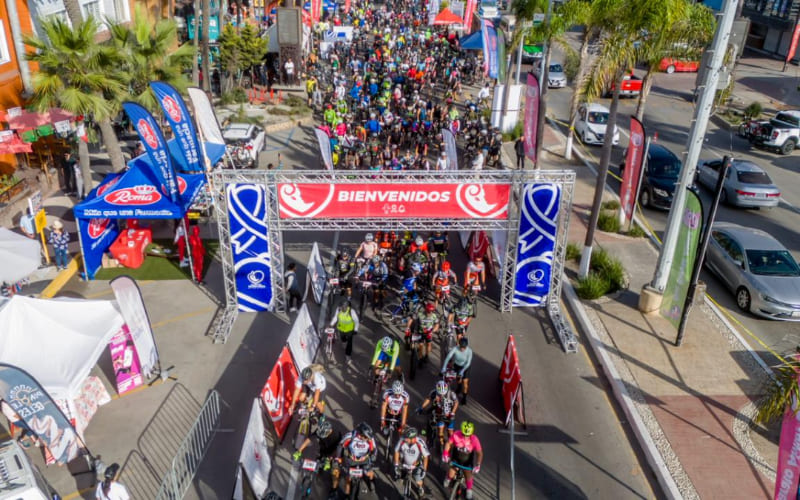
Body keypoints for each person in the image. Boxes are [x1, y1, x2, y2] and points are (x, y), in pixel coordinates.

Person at [293, 416, 341, 489]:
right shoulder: (321, 430)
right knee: (320, 460)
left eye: (322, 436)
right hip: (324, 449)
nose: (320, 437)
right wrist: (299, 450)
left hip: (334, 452)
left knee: (334, 471)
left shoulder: (336, 436)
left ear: (329, 432)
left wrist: (329, 459)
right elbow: (309, 439)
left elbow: (337, 450)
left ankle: (335, 489)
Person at [334, 422, 378, 496]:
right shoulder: (350, 436)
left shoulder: (370, 438)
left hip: (365, 460)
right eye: (366, 437)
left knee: (369, 473)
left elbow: (374, 449)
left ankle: (371, 481)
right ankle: (347, 495)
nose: (367, 439)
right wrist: (339, 458)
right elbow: (341, 446)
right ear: (360, 434)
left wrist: (374, 456)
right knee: (348, 478)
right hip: (351, 460)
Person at [443, 421, 483, 500]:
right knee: (451, 473)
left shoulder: (475, 439)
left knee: (468, 475)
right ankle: (448, 478)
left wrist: (478, 465)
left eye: (467, 435)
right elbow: (448, 443)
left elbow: (479, 453)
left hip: (467, 461)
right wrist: (445, 453)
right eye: (464, 434)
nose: (465, 436)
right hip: (456, 458)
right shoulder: (456, 434)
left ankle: (469, 490)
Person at [417, 380, 459, 447]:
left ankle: (454, 446)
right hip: (440, 415)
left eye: (443, 394)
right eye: (440, 394)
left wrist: (452, 413)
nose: (441, 396)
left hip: (450, 415)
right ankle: (442, 446)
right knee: (440, 433)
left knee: (450, 432)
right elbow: (428, 399)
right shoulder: (433, 393)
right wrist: (421, 407)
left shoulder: (451, 393)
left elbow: (456, 403)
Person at [393, 427, 429, 496]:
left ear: (413, 438)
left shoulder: (420, 443)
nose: (405, 439)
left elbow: (426, 456)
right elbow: (396, 451)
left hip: (417, 465)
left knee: (418, 481)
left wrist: (424, 470)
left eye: (407, 438)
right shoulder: (402, 440)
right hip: (405, 464)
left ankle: (420, 487)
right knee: (401, 478)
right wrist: (396, 465)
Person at [441, 338, 474, 405]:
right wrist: (444, 367)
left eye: (464, 347)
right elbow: (448, 357)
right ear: (459, 345)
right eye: (461, 347)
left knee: (465, 383)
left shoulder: (469, 351)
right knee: (458, 379)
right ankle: (459, 387)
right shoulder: (455, 349)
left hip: (465, 367)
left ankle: (464, 397)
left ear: (466, 346)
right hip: (457, 365)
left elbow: (468, 363)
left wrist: (462, 371)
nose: (462, 349)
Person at [329, 301, 359, 366]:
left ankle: (348, 357)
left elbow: (356, 321)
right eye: (341, 307)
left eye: (344, 307)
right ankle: (344, 344)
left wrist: (355, 329)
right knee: (343, 340)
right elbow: (335, 317)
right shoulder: (338, 309)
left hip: (349, 331)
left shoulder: (351, 312)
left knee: (349, 344)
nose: (342, 309)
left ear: (347, 307)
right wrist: (331, 324)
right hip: (341, 330)